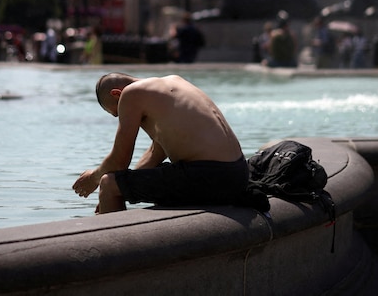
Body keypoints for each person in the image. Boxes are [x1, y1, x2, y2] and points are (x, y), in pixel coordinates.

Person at [72, 72, 247, 214]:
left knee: (108, 183)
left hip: (209, 176)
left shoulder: (131, 94)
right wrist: (123, 191)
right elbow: (155, 154)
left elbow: (119, 162)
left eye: (116, 113)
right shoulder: (173, 82)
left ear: (117, 94)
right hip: (237, 174)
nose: (121, 116)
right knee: (116, 186)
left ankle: (118, 252)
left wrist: (94, 179)